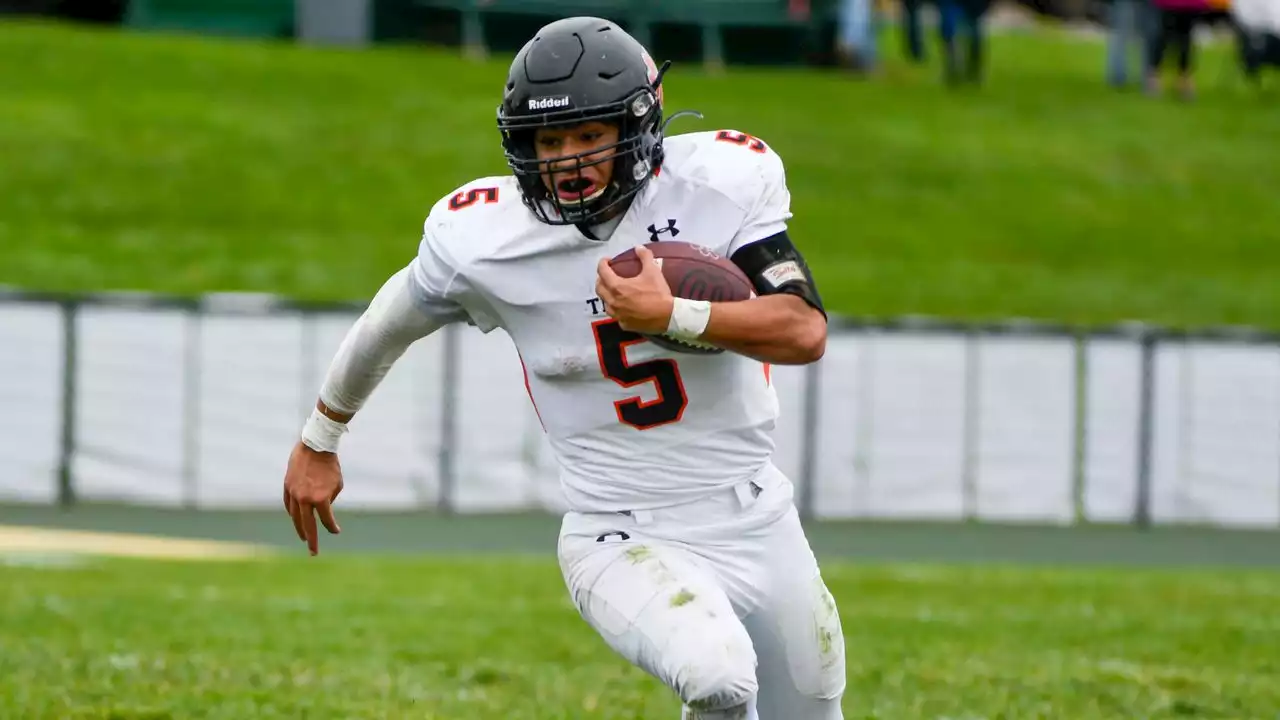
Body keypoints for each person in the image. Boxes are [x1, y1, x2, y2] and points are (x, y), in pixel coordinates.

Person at [279, 15, 846, 720]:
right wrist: (320, 437)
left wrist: (672, 314)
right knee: (719, 677)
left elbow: (803, 330)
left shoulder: (720, 184)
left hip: (757, 512)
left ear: (637, 129)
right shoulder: (483, 237)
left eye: (588, 136)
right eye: (550, 140)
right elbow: (390, 320)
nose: (568, 160)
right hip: (619, 528)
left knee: (812, 708)